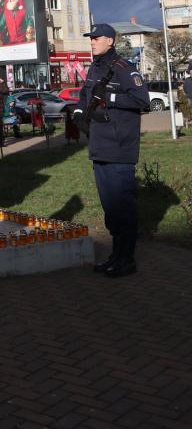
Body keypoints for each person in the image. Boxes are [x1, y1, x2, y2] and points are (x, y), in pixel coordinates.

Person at [73, 23, 150, 278]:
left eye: (96, 38)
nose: (92, 42)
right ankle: (115, 255)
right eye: (91, 38)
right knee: (111, 208)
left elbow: (143, 101)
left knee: (123, 207)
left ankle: (127, 259)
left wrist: (112, 99)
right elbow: (86, 95)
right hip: (100, 146)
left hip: (120, 148)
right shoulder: (95, 68)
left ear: (110, 41)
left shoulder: (124, 68)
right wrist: (77, 111)